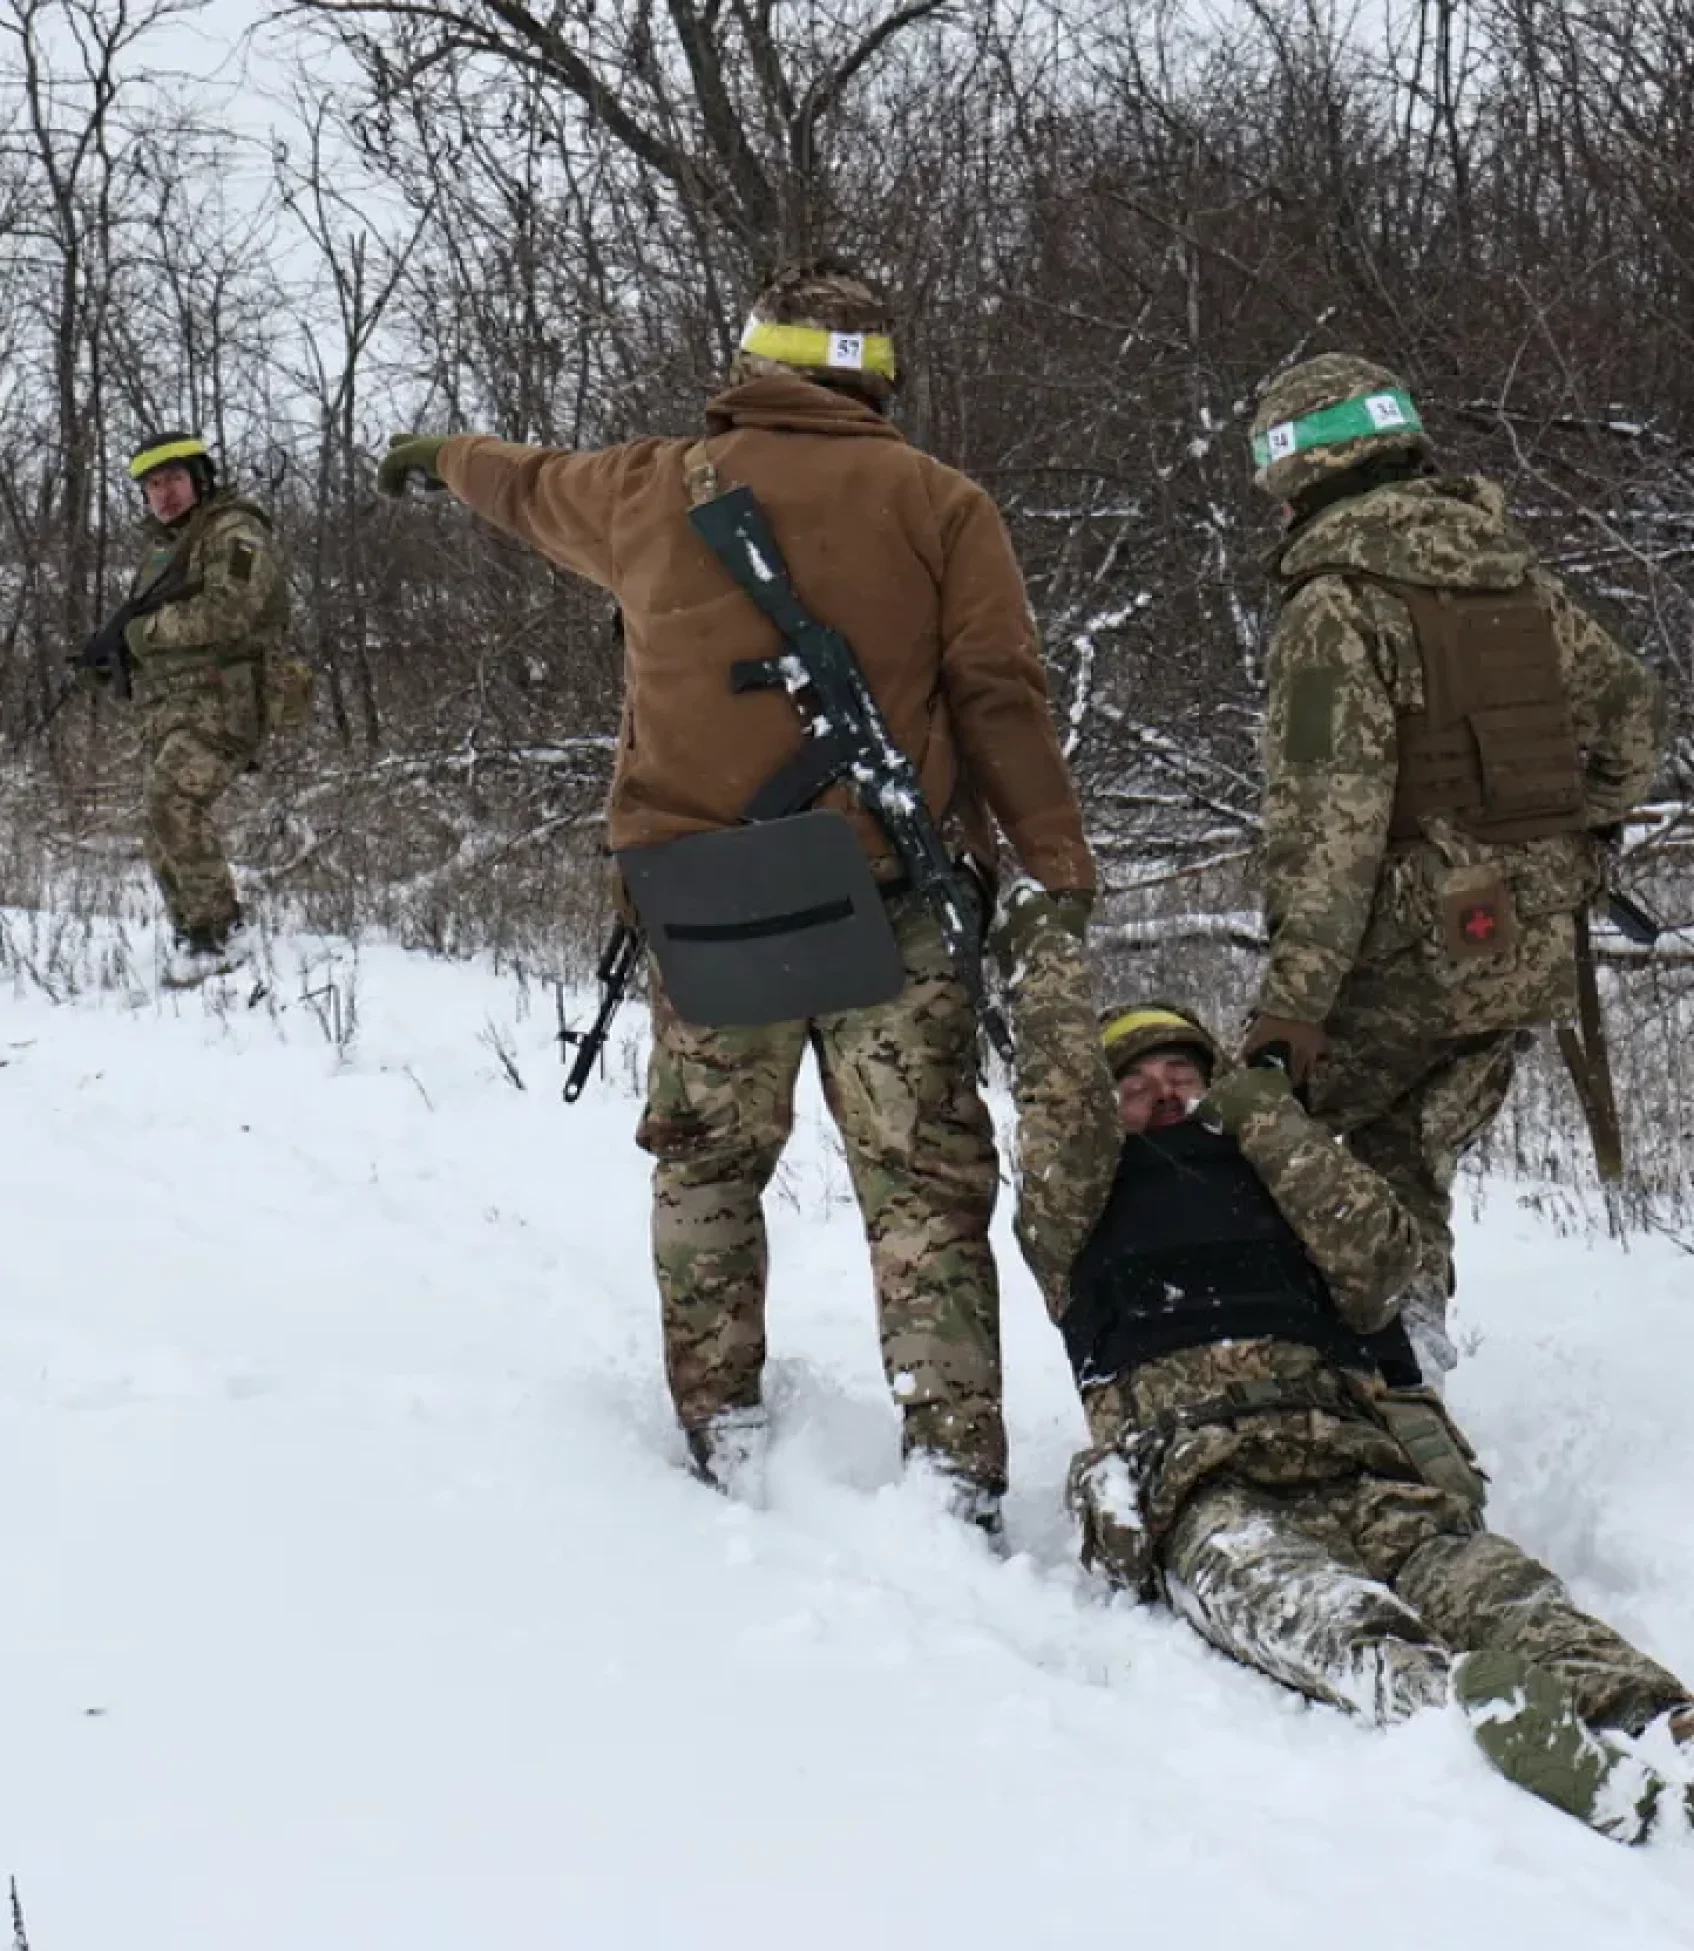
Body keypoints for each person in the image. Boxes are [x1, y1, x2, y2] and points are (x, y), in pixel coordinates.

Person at [377, 261, 1094, 1526]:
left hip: (708, 908)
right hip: (889, 906)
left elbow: (520, 482)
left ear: (752, 362)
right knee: (919, 1186)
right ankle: (952, 1470)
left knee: (706, 1168)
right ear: (871, 376)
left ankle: (722, 1426)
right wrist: (1054, 863)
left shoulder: (645, 487)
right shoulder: (939, 501)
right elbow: (997, 696)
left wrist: (442, 453)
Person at [994, 886, 1692, 1842]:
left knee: (1500, 1591)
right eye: (1136, 1084)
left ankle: (1663, 1725)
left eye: (1182, 1075)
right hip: (1198, 1482)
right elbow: (1058, 1113)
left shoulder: (1273, 1178)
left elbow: (1382, 1266)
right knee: (1324, 1617)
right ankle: (1478, 1728)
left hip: (1349, 1452)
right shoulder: (1075, 1211)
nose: (1164, 1092)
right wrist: (1049, 964)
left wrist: (1270, 1125)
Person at [1240, 354, 1661, 1374]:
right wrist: (1561, 842)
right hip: (1523, 942)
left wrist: (1289, 1010)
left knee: (1261, 1144)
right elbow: (1632, 728)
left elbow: (1324, 829)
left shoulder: (1333, 605)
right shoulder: (1519, 582)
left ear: (1297, 473)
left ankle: (1304, 1367)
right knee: (1408, 1147)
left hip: (1401, 944)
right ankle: (1407, 1348)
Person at [83, 432, 292, 986]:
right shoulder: (165, 550)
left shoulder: (237, 533)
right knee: (158, 821)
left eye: (173, 479)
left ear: (200, 478)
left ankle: (219, 933)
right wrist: (114, 657)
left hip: (229, 703)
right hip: (176, 705)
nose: (164, 494)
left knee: (171, 799)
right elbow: (163, 631)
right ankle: (191, 933)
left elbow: (231, 613)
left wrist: (139, 635)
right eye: (153, 485)